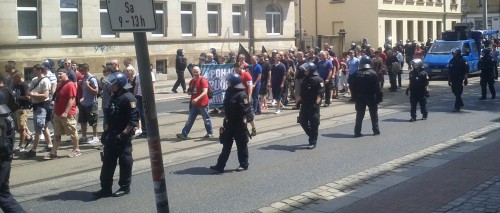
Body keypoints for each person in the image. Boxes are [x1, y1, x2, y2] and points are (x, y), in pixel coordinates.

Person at [92, 71, 138, 199]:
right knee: (107, 163)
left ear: (120, 85)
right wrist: (105, 133)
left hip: (123, 137)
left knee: (125, 162)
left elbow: (133, 120)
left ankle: (125, 187)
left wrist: (123, 134)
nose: (111, 87)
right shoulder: (114, 96)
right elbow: (110, 116)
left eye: (114, 85)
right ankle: (105, 188)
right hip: (112, 135)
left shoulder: (129, 98)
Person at [210, 73, 253, 173]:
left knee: (241, 145)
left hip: (239, 124)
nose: (227, 83)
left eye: (229, 82)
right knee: (226, 145)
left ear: (233, 83)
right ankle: (220, 165)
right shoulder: (229, 92)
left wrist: (245, 120)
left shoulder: (242, 94)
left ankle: (244, 164)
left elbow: (247, 110)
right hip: (229, 124)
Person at [0, 78, 26, 212]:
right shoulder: (6, 114)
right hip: (5, 159)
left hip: (2, 159)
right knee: (3, 194)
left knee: (3, 196)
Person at [44, 68, 80, 160]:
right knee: (57, 133)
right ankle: (53, 152)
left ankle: (76, 149)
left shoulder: (70, 84)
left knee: (72, 132)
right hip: (58, 113)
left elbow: (71, 99)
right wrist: (54, 112)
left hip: (67, 114)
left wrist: (66, 112)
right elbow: (56, 99)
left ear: (66, 74)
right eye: (57, 74)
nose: (58, 75)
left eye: (60, 74)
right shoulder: (59, 84)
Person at [176, 66, 214, 140]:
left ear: (200, 72)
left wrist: (197, 98)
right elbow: (191, 91)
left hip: (203, 104)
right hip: (194, 104)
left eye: (197, 71)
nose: (195, 73)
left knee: (206, 119)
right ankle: (184, 134)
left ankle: (210, 133)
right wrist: (189, 92)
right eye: (194, 72)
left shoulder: (203, 80)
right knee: (190, 119)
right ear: (192, 72)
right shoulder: (192, 81)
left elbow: (205, 92)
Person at [25, 65, 53, 158]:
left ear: (40, 71)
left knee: (38, 128)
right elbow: (29, 91)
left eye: (34, 70)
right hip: (36, 106)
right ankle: (50, 145)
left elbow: (45, 96)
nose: (33, 72)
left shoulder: (45, 81)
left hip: (42, 107)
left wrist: (34, 95)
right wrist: (31, 95)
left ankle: (33, 149)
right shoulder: (34, 80)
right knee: (44, 126)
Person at [352, 57, 382, 137]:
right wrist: (379, 97)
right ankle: (376, 130)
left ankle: (357, 132)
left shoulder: (356, 73)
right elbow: (377, 88)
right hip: (371, 96)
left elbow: (351, 85)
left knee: (359, 115)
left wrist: (354, 96)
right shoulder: (373, 73)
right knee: (374, 114)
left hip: (360, 96)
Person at [299, 62, 324, 149]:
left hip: (313, 104)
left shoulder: (318, 79)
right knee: (302, 121)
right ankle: (312, 135)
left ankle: (313, 141)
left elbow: (321, 93)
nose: (304, 72)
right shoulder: (305, 79)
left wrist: (317, 103)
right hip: (305, 104)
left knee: (314, 124)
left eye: (306, 70)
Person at [11, 72, 33, 152]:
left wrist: (18, 96)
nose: (13, 80)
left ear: (19, 77)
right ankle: (28, 138)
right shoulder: (15, 85)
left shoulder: (24, 85)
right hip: (15, 108)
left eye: (14, 78)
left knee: (22, 128)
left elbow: (28, 97)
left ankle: (21, 145)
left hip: (23, 108)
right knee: (15, 127)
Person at [78, 64, 100, 144]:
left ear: (87, 69)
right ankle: (84, 136)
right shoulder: (84, 78)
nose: (80, 72)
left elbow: (96, 91)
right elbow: (85, 91)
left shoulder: (92, 79)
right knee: (82, 121)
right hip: (84, 103)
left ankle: (95, 136)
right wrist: (81, 84)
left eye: (82, 70)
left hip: (91, 103)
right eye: (80, 70)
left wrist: (88, 86)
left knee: (93, 121)